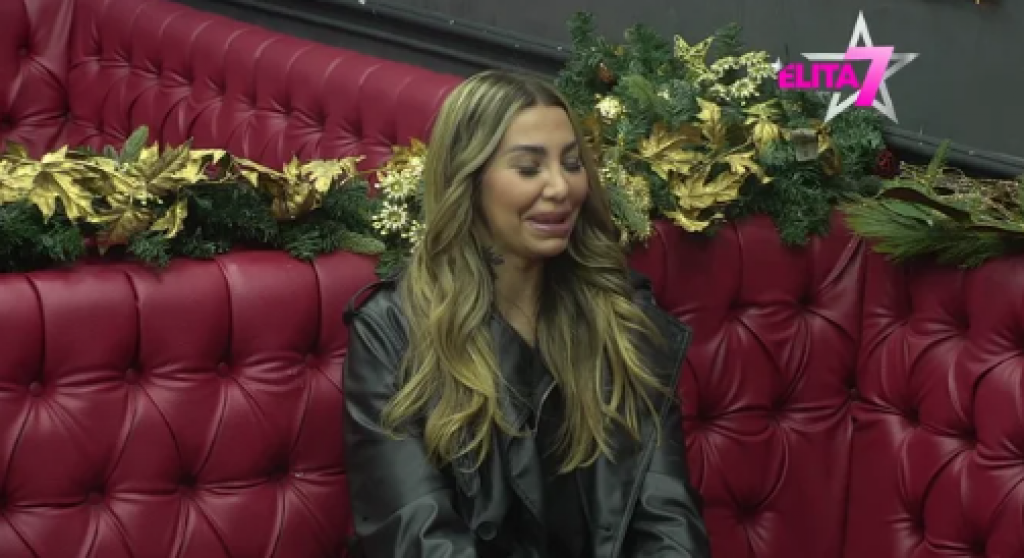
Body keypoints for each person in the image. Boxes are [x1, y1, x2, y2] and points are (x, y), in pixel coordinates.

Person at [342, 70, 710, 558]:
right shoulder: (392, 331)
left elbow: (666, 517)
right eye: (529, 168)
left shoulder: (621, 316)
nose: (561, 187)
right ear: (468, 181)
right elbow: (417, 534)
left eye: (572, 163)